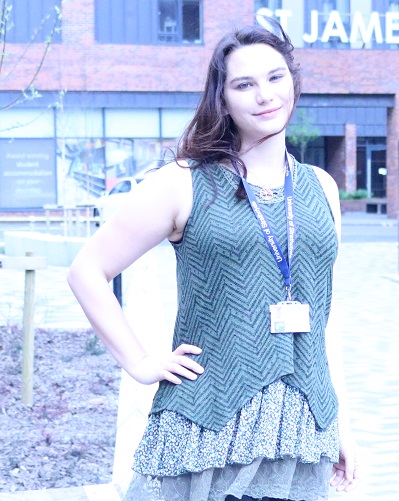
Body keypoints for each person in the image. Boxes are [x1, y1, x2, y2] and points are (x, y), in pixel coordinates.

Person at [68, 20, 361, 501]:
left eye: (275, 77)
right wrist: (140, 362)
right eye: (244, 85)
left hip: (304, 428)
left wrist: (342, 424)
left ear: (293, 81)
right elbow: (86, 271)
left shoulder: (321, 187)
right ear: (222, 98)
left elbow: (324, 319)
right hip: (207, 423)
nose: (265, 95)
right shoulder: (183, 182)